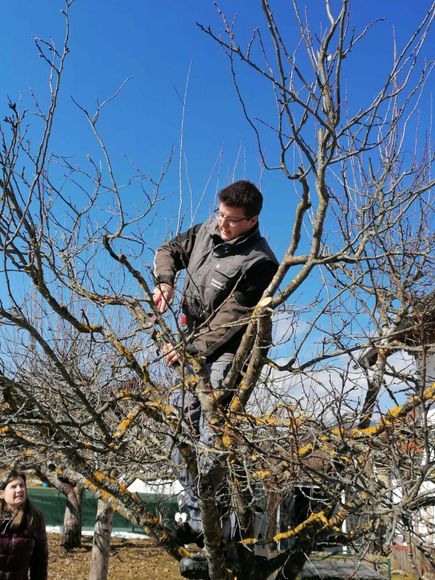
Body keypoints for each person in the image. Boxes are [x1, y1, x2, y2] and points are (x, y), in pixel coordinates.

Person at [153, 180, 278, 547]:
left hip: (225, 351)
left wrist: (190, 349)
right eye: (220, 214)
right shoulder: (209, 227)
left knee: (211, 439)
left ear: (252, 220)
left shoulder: (260, 262)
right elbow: (169, 249)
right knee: (178, 434)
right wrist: (165, 281)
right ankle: (197, 519)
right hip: (190, 338)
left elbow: (231, 319)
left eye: (231, 220)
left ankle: (217, 532)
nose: (222, 224)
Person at [0, 469, 48, 580]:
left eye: (22, 485)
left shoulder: (35, 519)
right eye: (13, 486)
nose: (20, 490)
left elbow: (40, 563)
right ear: (1, 494)